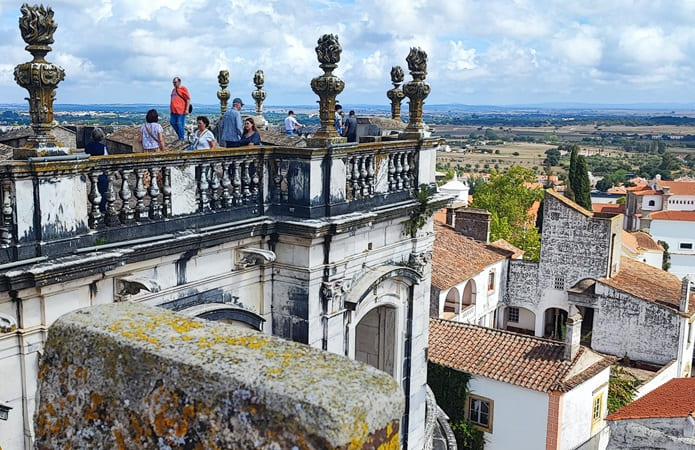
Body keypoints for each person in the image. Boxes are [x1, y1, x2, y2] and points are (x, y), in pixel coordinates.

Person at [84, 127, 108, 212]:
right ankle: (101, 209)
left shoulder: (87, 146)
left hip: (92, 172)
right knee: (103, 192)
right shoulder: (102, 147)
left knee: (94, 189)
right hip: (101, 172)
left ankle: (95, 208)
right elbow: (106, 160)